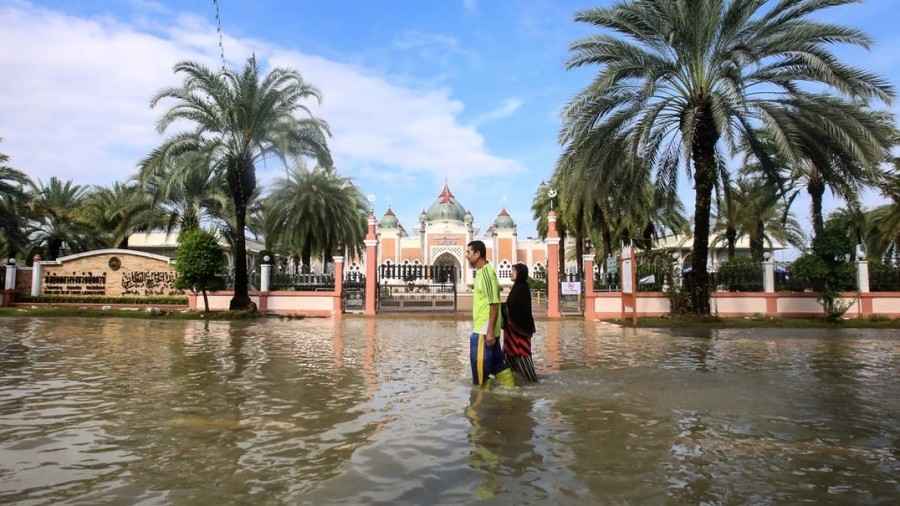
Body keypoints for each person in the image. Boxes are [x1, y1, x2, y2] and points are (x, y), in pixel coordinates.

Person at [465, 240, 506, 386]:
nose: (466, 256)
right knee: (498, 369)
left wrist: (489, 332)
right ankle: (509, 400)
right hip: (485, 329)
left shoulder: (487, 273)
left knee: (480, 377)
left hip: (484, 332)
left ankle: (477, 406)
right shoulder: (481, 273)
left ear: (478, 253)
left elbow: (494, 303)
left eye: (469, 252)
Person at [503, 263, 538, 382]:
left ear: (520, 273)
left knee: (523, 357)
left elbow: (519, 310)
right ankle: (512, 383)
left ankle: (531, 382)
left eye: (513, 271)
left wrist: (505, 310)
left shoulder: (522, 288)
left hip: (519, 331)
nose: (510, 273)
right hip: (513, 333)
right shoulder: (517, 287)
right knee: (510, 359)